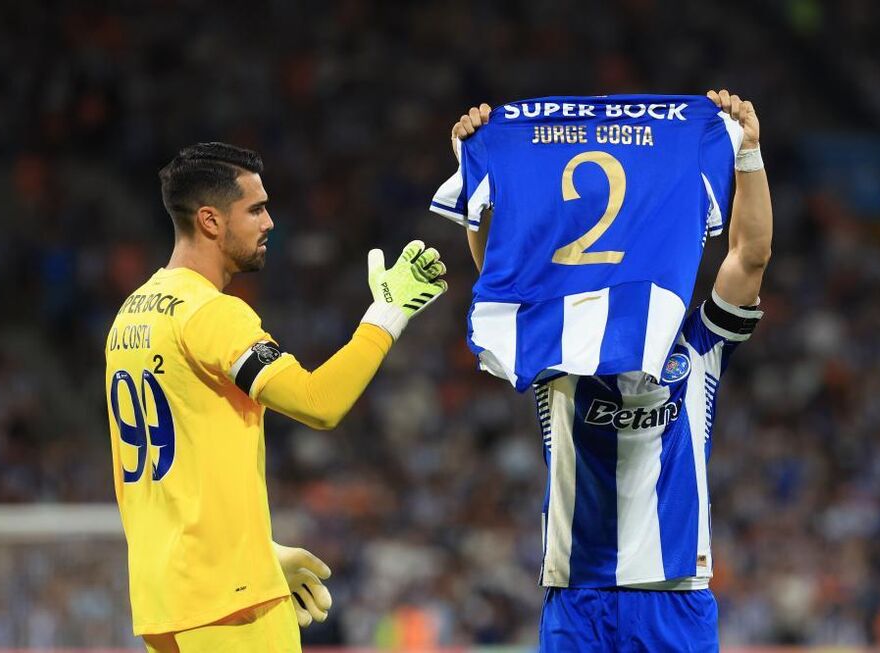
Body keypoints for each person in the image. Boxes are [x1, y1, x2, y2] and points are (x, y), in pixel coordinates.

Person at [450, 90, 771, 651]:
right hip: (578, 592)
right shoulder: (558, 341)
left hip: (673, 589)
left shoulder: (697, 345)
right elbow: (505, 271)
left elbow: (751, 255)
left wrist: (748, 155)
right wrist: (478, 165)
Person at [104, 142, 448, 653]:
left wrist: (257, 552)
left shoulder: (132, 314)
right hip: (232, 606)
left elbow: (173, 477)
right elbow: (319, 401)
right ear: (210, 221)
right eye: (256, 209)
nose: (270, 222)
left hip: (165, 602)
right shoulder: (211, 314)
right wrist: (387, 314)